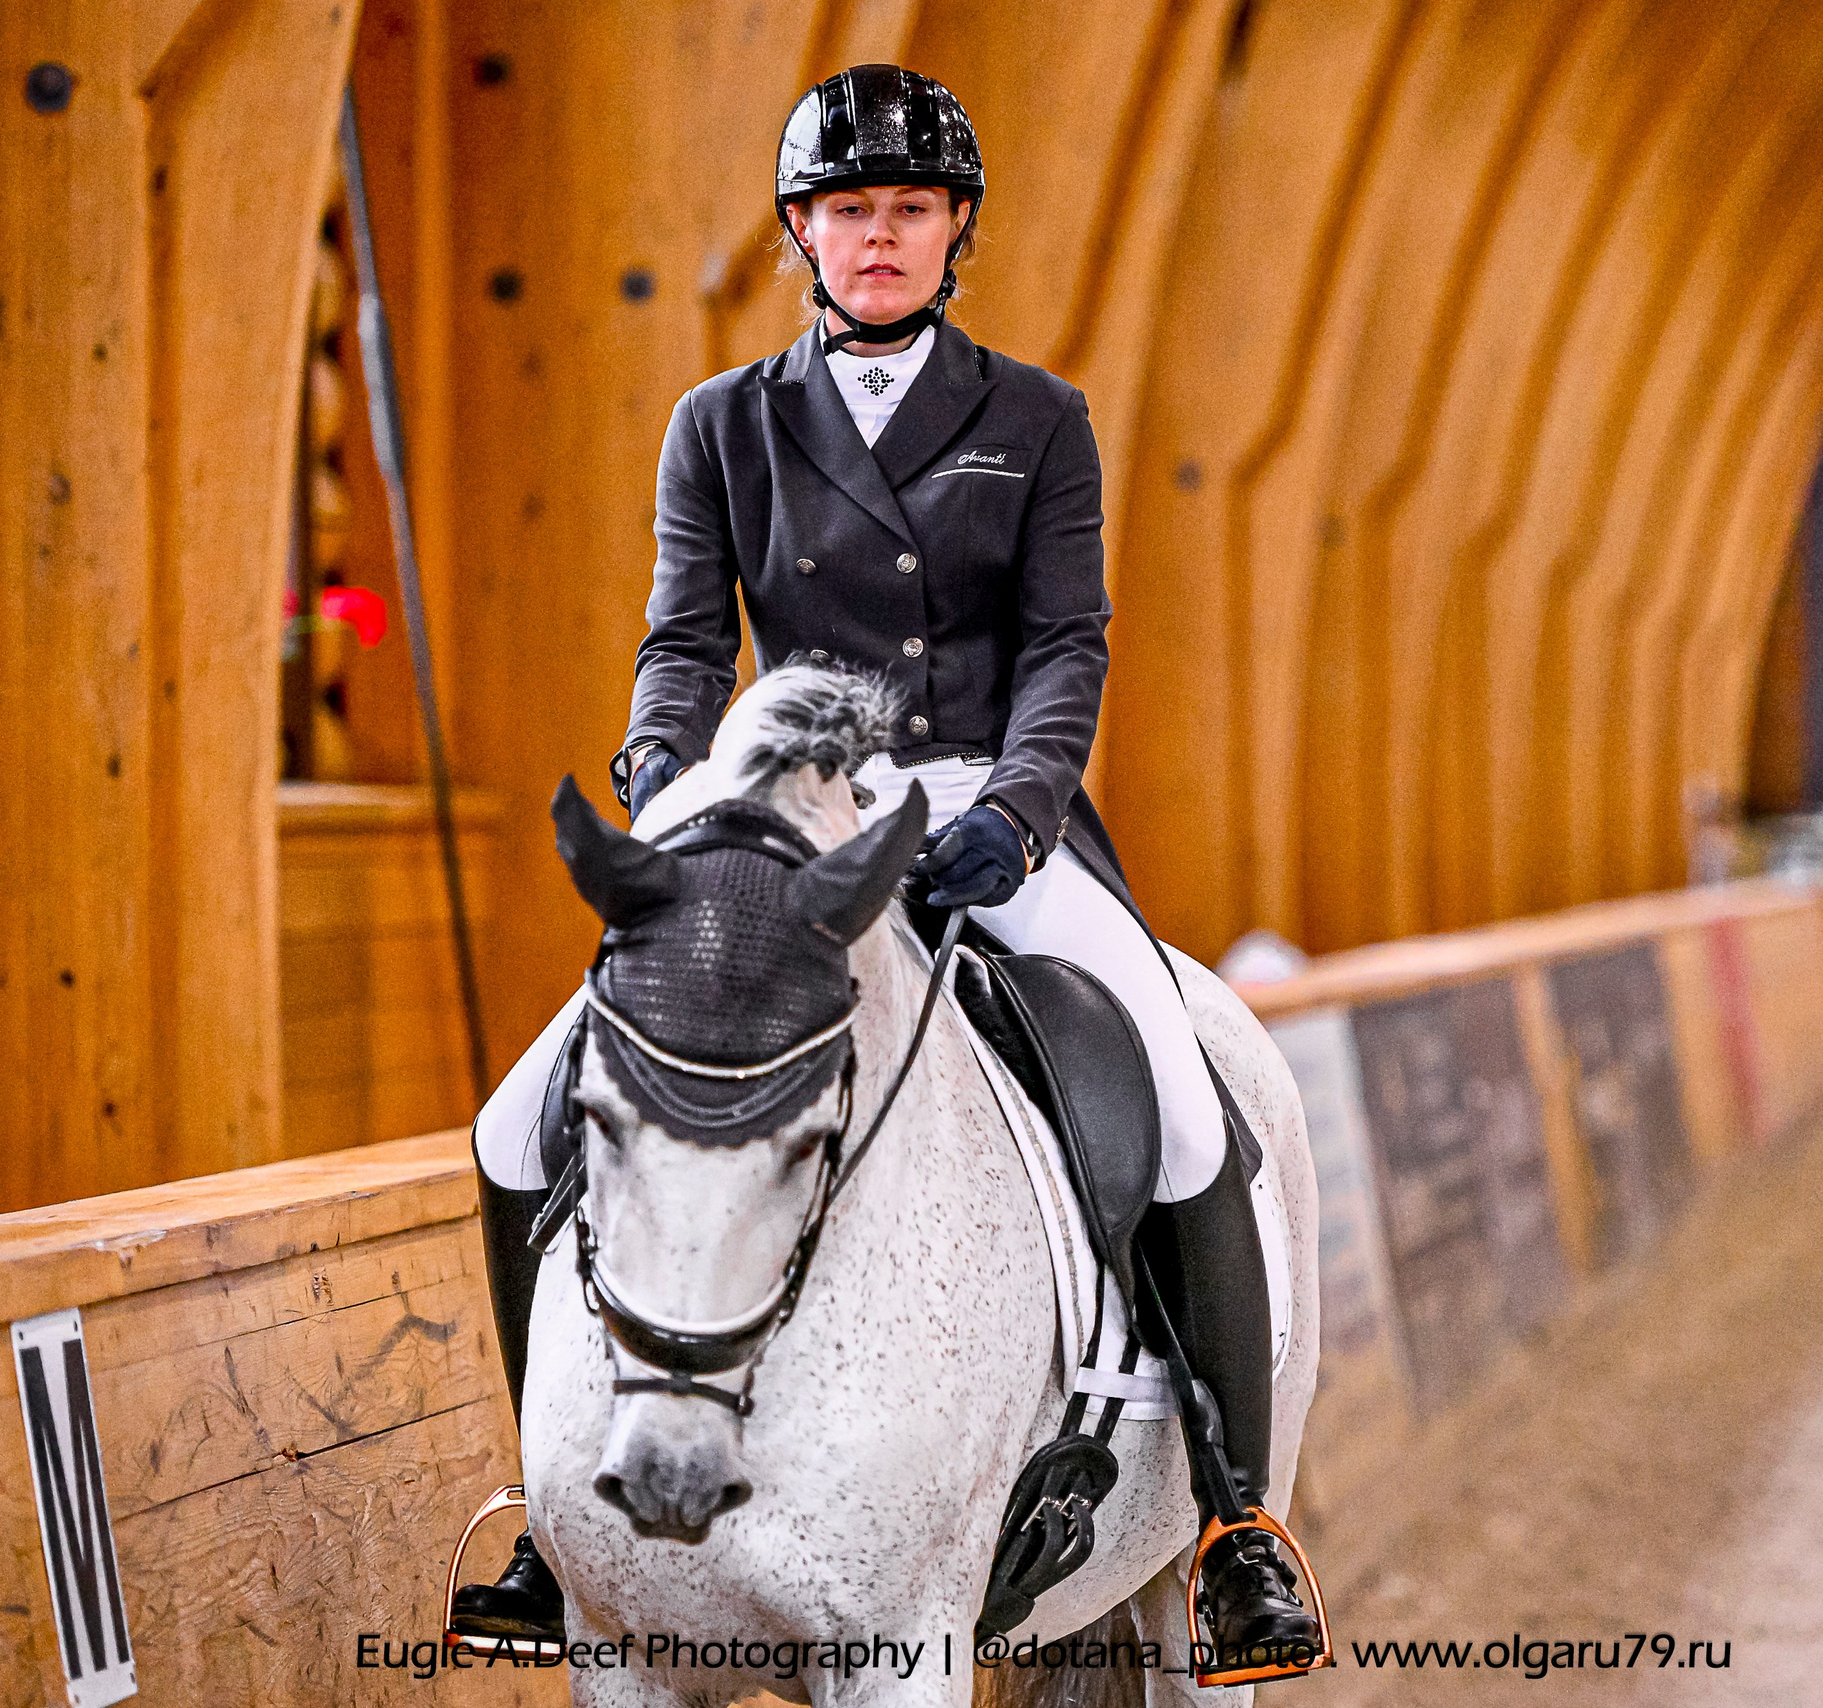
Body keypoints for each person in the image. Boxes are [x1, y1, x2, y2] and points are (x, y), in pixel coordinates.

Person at [453, 63, 1323, 1675]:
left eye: (907, 210)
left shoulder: (1036, 417)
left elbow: (1067, 641)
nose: (877, 237)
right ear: (800, 228)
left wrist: (1021, 803)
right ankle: (542, 1519)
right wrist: (668, 780)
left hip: (985, 803)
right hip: (780, 811)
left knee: (1191, 1095)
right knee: (523, 1111)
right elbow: (679, 643)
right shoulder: (722, 423)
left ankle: (1232, 1519)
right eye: (848, 210)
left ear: (952, 232)